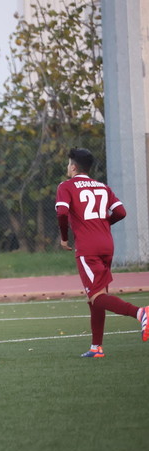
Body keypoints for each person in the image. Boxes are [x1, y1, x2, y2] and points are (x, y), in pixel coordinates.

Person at [55, 147, 148, 358]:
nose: (67, 167)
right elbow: (121, 212)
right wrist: (103, 224)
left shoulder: (66, 186)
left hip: (88, 247)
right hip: (107, 244)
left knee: (97, 297)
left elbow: (61, 212)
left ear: (74, 166)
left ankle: (141, 312)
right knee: (96, 296)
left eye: (68, 163)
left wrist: (64, 237)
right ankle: (96, 347)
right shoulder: (103, 187)